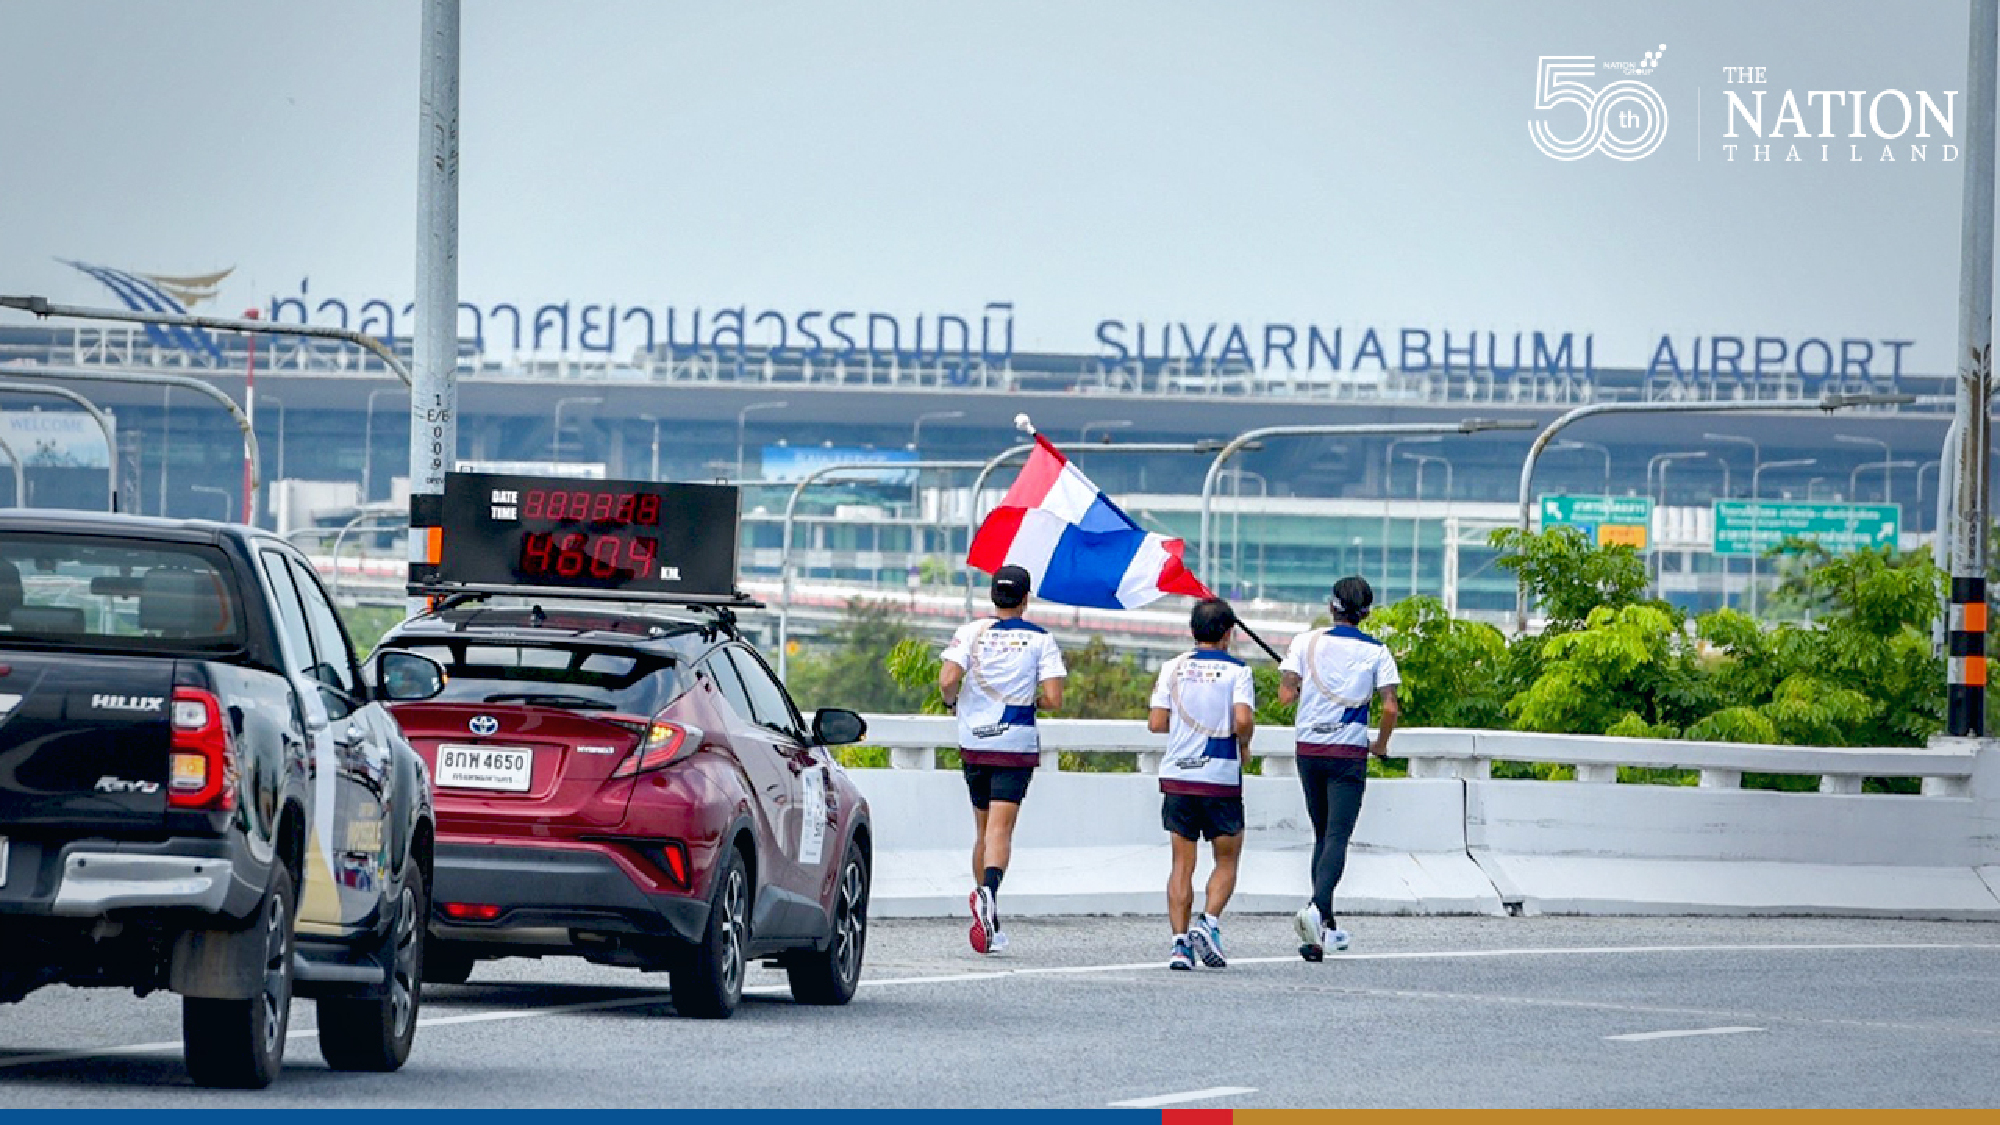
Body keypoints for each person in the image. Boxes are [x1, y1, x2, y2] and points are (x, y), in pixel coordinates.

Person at [939, 563, 1066, 955]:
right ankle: (989, 894)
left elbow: (947, 679)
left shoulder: (969, 632)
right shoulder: (1041, 640)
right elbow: (1054, 698)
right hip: (1014, 744)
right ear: (1026, 599)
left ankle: (988, 920)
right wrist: (1030, 698)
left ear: (993, 595)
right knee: (1001, 831)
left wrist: (951, 703)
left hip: (974, 742)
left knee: (982, 830)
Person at [1279, 575, 1400, 962]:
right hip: (1347, 752)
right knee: (1337, 836)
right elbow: (1390, 707)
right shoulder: (1377, 652)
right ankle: (1316, 910)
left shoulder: (1305, 642)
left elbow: (1285, 695)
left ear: (1332, 606)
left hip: (1308, 748)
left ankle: (1324, 930)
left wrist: (1295, 688)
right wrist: (1379, 744)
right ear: (1366, 612)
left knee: (1322, 834)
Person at [1148, 597, 1254, 971]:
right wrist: (1243, 744)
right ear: (1228, 634)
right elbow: (1242, 720)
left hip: (1178, 775)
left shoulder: (1171, 669)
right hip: (1220, 778)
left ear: (1193, 631)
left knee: (1181, 864)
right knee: (1227, 858)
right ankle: (1209, 922)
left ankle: (1179, 944)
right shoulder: (1238, 671)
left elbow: (1157, 723)